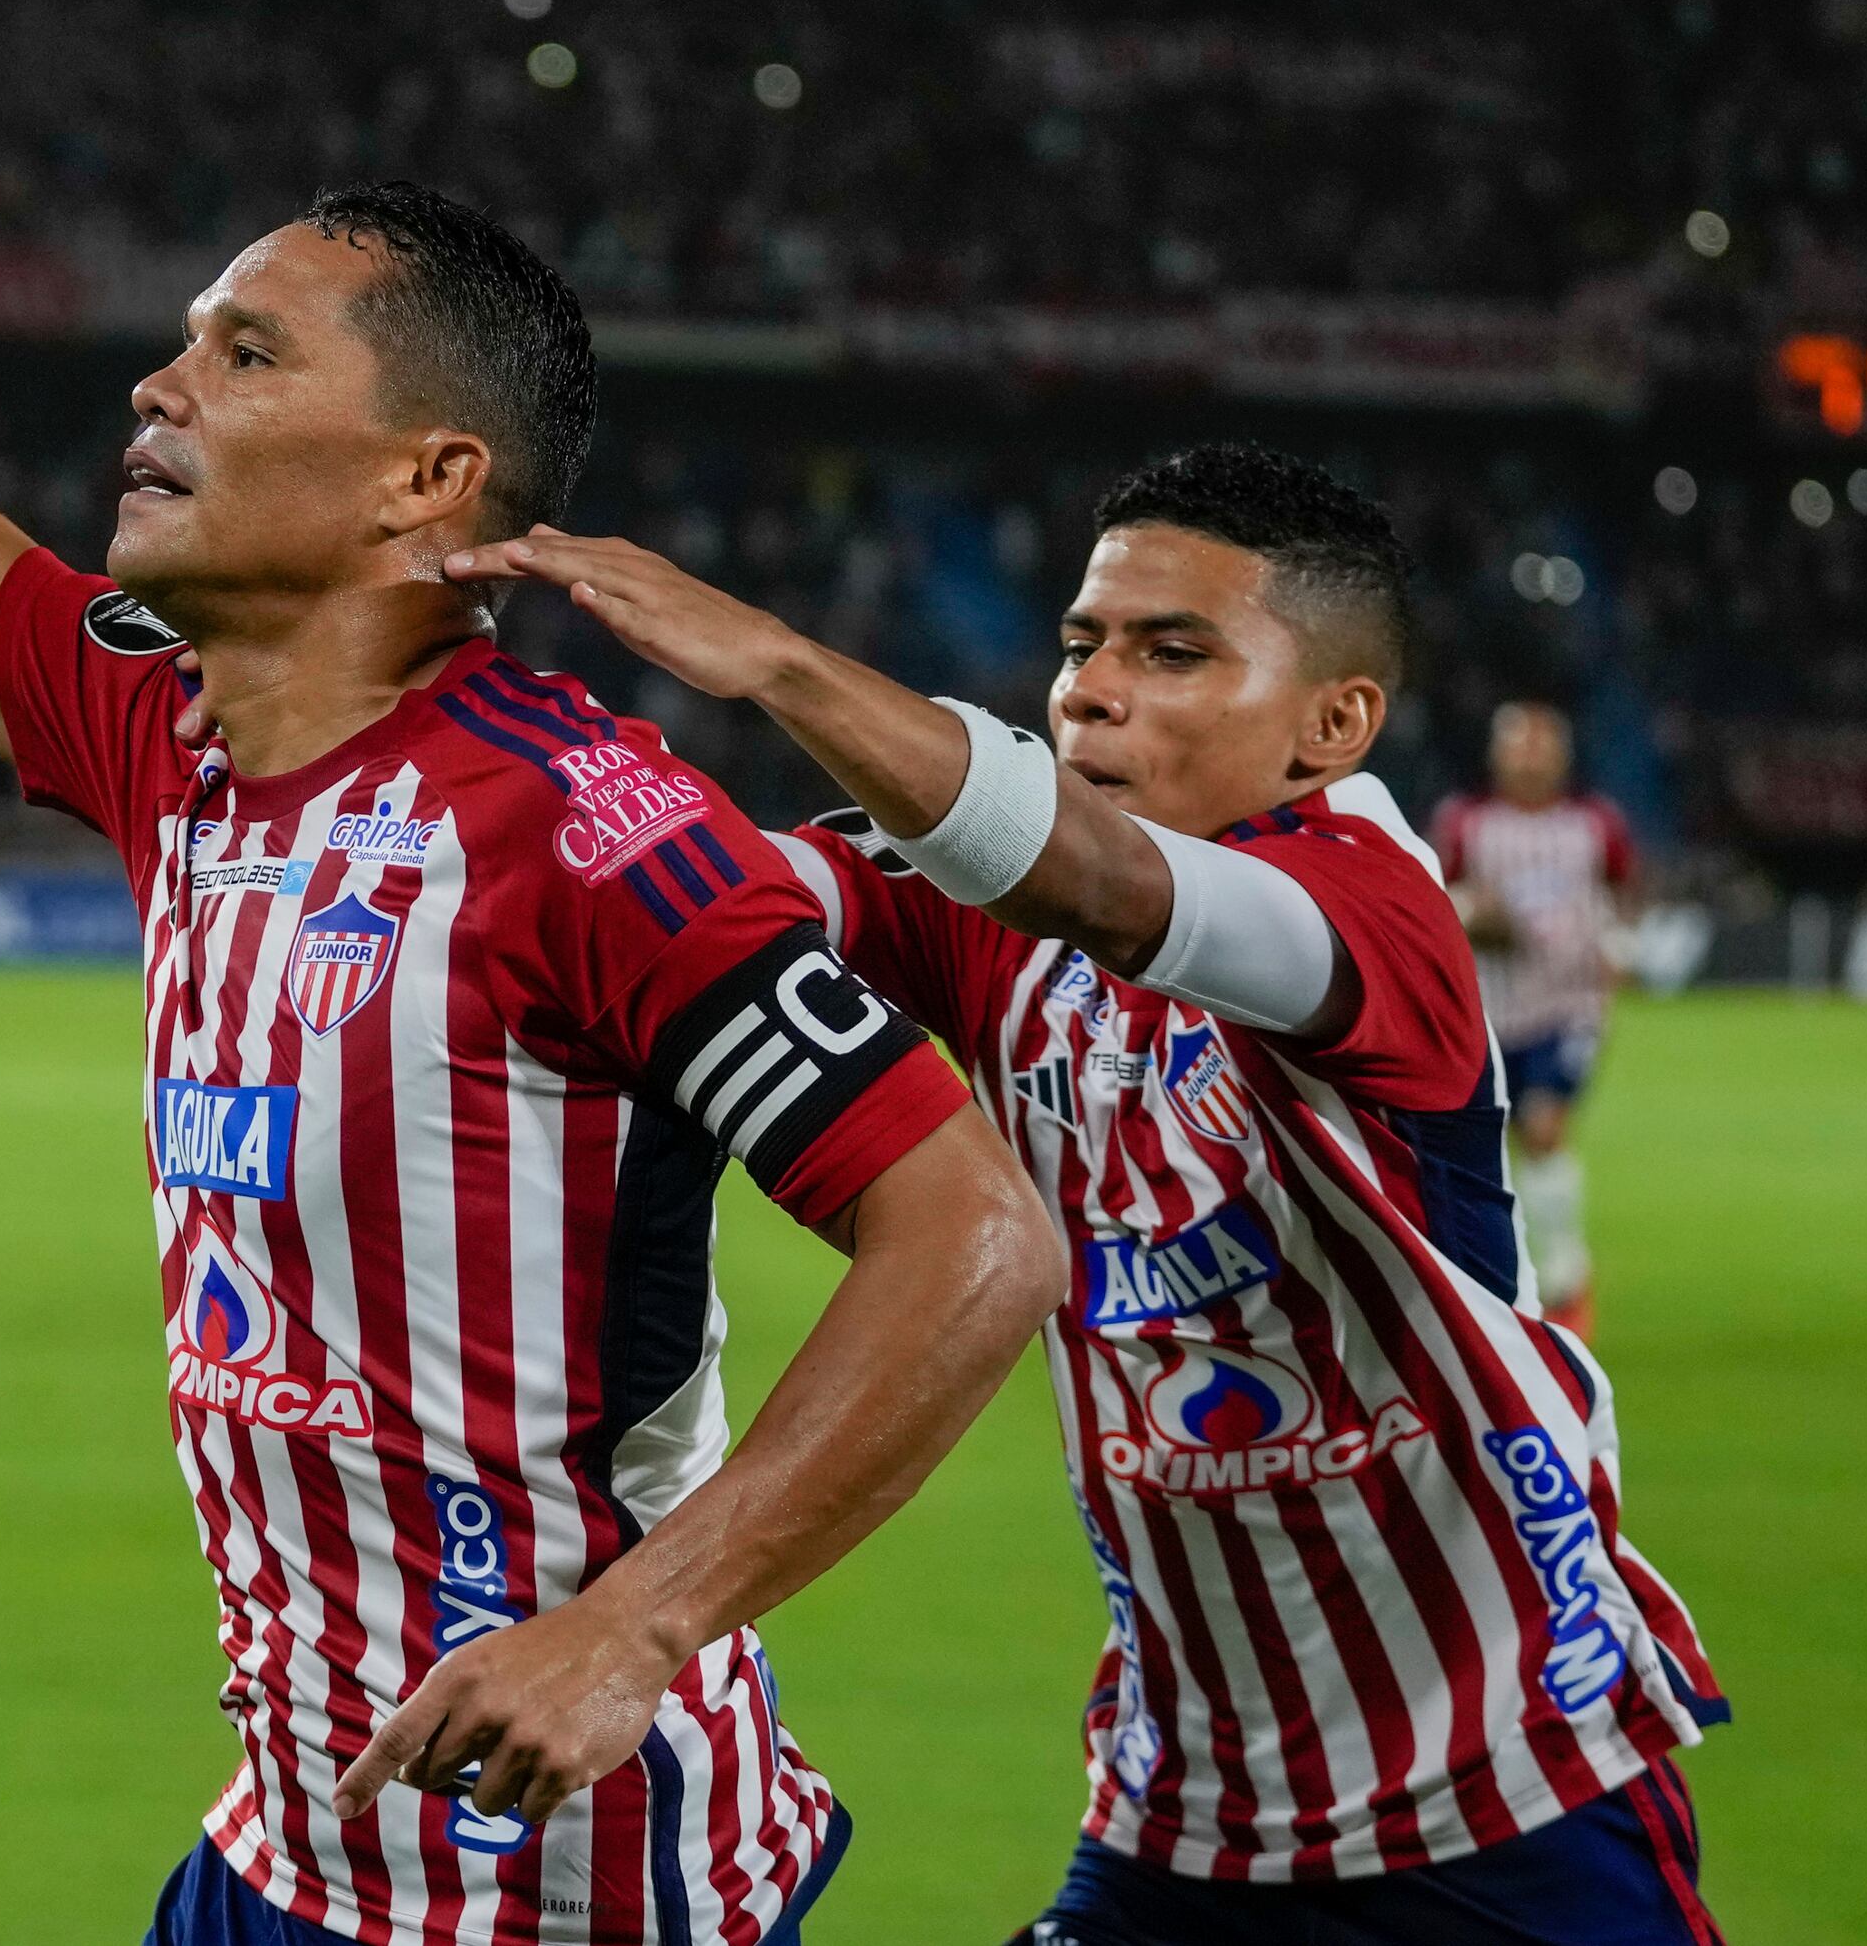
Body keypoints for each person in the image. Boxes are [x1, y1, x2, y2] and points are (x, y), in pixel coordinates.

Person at [0, 0, 1066, 1945]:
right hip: (287, 1848)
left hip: (568, 1893)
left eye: (247, 352)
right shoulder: (162, 729)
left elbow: (972, 1238)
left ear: (426, 483)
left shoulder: (586, 826)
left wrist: (642, 1621)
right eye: (187, 341)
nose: (158, 385)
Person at [442, 444, 1726, 1946]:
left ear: (1333, 724)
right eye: (1079, 644)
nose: (1093, 690)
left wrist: (781, 665)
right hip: (1184, 1811)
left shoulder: (1376, 905)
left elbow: (1103, 883)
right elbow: (709, 899)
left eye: (1172, 652)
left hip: (1503, 1793)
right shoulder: (1001, 931)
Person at [1433, 704, 1636, 1340]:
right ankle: (1494, 1283)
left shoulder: (1594, 824)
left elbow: (1626, 887)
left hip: (1569, 1007)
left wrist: (1621, 946)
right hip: (1488, 1010)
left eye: (1541, 745)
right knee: (1484, 1146)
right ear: (1496, 755)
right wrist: (1474, 912)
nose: (1530, 757)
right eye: (1518, 746)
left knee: (1545, 1127)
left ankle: (1567, 1279)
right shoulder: (1466, 822)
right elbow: (1433, 895)